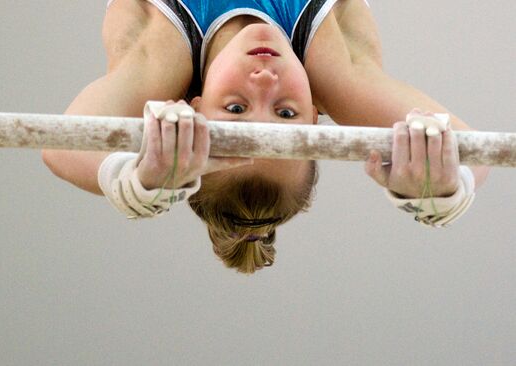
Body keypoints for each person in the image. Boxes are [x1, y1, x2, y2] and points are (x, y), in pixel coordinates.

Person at [42, 0, 490, 274]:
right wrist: (442, 191)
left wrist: (139, 183)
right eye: (286, 111)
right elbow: (472, 151)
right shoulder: (340, 71)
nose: (263, 81)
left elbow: (60, 143)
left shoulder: (159, 55)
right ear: (316, 118)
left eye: (234, 109)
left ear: (195, 110)